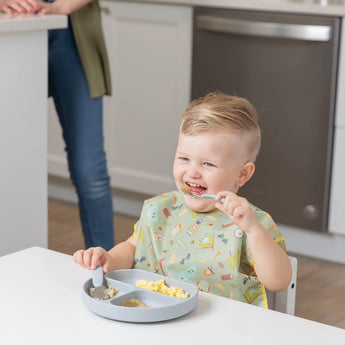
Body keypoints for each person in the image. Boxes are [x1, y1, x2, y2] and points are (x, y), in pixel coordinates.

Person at [73, 92, 292, 308]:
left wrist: (253, 231)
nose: (192, 172)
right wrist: (109, 260)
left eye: (208, 164)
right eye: (184, 159)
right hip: (154, 317)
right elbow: (133, 247)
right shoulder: (161, 209)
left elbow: (279, 281)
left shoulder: (249, 222)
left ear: (242, 174)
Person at [0, 0, 115, 250]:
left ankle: (108, 273)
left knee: (90, 171)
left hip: (74, 32)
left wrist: (63, 6)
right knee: (10, 162)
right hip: (11, 29)